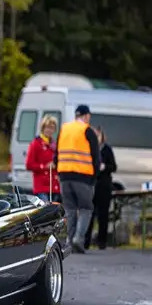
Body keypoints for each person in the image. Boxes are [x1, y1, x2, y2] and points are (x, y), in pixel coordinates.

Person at [54, 104, 100, 253]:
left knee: (70, 209)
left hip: (64, 176)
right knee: (86, 208)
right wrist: (95, 177)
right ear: (86, 116)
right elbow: (96, 157)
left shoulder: (64, 129)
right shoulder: (87, 130)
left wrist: (59, 172)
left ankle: (69, 240)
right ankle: (78, 239)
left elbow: (56, 155)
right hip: (83, 177)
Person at [84, 127, 117, 250]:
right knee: (89, 214)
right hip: (91, 184)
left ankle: (101, 241)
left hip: (103, 185)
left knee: (103, 215)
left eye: (98, 136)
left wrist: (105, 167)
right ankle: (86, 241)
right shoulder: (88, 149)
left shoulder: (106, 149)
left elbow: (114, 167)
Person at [25, 114, 61, 202]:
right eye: (47, 127)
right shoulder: (36, 143)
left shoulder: (54, 144)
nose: (49, 130)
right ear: (43, 128)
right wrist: (44, 166)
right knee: (45, 208)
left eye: (52, 128)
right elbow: (29, 165)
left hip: (54, 186)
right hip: (41, 186)